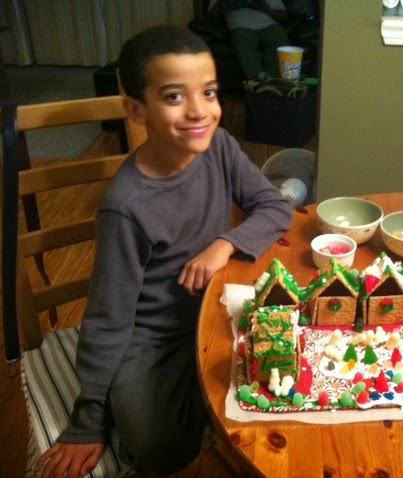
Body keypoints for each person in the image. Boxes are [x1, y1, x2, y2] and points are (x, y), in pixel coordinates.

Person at [36, 25, 293, 478]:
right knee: (159, 449)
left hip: (214, 313)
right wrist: (88, 417)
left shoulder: (220, 147)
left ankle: (197, 400)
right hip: (152, 339)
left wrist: (225, 243)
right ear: (137, 110)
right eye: (175, 96)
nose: (199, 111)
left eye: (209, 92)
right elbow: (109, 315)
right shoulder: (126, 206)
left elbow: (274, 205)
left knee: (283, 382)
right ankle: (142, 400)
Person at [208, 0, 290, 80]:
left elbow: (284, 16)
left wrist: (264, 8)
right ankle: (256, 81)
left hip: (269, 26)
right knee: (243, 40)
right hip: (241, 28)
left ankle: (273, 80)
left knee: (279, 36)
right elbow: (211, 19)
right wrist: (219, 5)